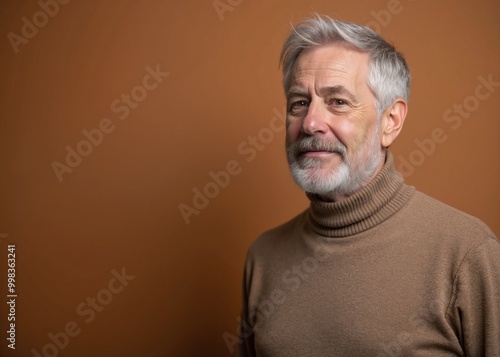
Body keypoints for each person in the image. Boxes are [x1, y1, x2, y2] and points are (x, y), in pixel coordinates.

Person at [238, 15, 500, 356]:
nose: (311, 122)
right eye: (299, 103)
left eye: (338, 101)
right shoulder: (263, 257)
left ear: (390, 121)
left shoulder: (467, 254)